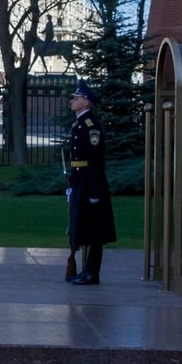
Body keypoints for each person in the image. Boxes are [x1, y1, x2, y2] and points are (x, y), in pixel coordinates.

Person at [65, 82, 116, 286]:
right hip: (81, 181)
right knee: (83, 225)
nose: (72, 101)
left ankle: (92, 272)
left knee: (95, 228)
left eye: (76, 98)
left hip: (90, 183)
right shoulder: (79, 124)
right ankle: (86, 270)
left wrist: (94, 190)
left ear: (85, 103)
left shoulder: (90, 126)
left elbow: (95, 160)